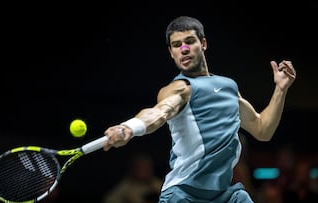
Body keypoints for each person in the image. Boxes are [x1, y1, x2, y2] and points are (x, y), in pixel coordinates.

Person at [102, 16, 296, 203]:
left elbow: (263, 130)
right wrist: (129, 127)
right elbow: (159, 112)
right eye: (177, 45)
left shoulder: (228, 87)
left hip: (225, 195)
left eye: (189, 41)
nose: (184, 49)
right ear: (171, 52)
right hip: (183, 194)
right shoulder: (180, 88)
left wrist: (280, 89)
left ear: (203, 43)